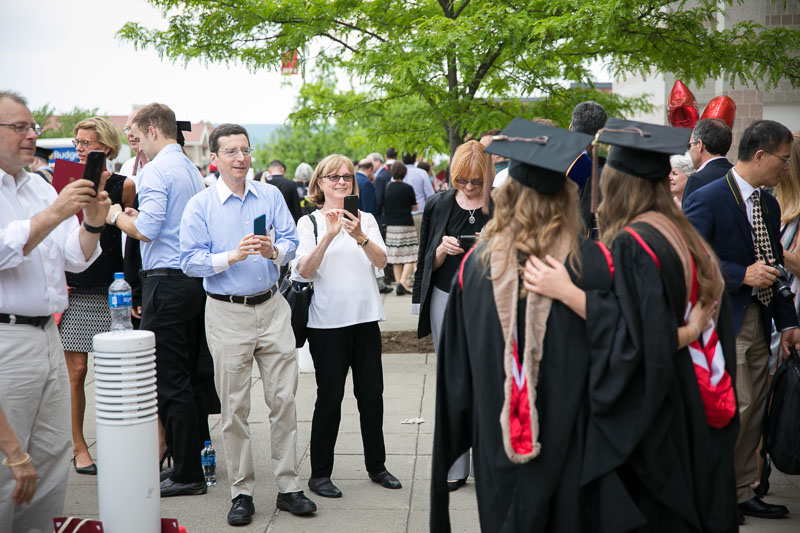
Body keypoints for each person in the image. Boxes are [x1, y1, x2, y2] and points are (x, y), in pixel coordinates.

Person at [529, 118, 740, 531]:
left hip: (663, 399)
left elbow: (640, 337)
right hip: (698, 392)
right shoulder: (680, 231)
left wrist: (567, 293)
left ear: (620, 185)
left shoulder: (635, 242)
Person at [430, 120, 610, 531]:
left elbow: (456, 376)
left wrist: (455, 440)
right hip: (574, 440)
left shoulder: (475, 268)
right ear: (568, 197)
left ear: (506, 195)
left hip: (498, 435)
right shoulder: (593, 263)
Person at [180, 124, 316, 524]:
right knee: (234, 407)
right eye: (231, 151)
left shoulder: (270, 195)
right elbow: (189, 261)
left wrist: (275, 250)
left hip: (273, 308)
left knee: (284, 401)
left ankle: (289, 486)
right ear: (215, 159)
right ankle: (242, 491)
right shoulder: (200, 206)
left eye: (245, 149)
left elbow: (291, 241)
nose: (241, 158)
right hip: (226, 313)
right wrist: (230, 257)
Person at [0, 90, 109, 532]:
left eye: (33, 127)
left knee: (50, 459)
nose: (32, 136)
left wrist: (94, 222)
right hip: (8, 340)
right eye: (20, 127)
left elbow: (74, 257)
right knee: (11, 468)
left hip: (48, 333)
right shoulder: (47, 198)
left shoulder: (39, 186)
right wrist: (56, 211)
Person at [684, 119, 800, 521]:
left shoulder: (768, 203)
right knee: (735, 406)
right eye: (783, 159)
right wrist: (740, 274)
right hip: (724, 319)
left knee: (754, 410)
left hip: (763, 317)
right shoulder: (709, 195)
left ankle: (740, 490)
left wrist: (788, 323)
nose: (787, 167)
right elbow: (693, 259)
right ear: (760, 155)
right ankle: (716, 493)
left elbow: (773, 265)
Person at [106, 102, 212, 498]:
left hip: (165, 283)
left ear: (153, 130)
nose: (133, 140)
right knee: (182, 376)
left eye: (135, 132)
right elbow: (165, 220)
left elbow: (147, 231)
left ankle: (187, 473)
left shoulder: (154, 171)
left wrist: (117, 215)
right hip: (188, 282)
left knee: (169, 380)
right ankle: (186, 465)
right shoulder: (186, 166)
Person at [291, 154, 401, 499]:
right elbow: (303, 271)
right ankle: (320, 474)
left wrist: (359, 237)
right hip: (327, 326)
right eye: (333, 177)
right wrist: (329, 235)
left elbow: (383, 261)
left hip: (365, 321)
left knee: (371, 397)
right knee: (330, 399)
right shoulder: (308, 223)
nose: (341, 182)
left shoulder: (365, 219)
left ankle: (377, 466)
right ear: (319, 184)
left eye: (347, 177)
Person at [412, 140, 491, 490]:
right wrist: (441, 250)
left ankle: (487, 462)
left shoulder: (501, 205)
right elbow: (423, 260)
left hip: (487, 299)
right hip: (446, 295)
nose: (470, 187)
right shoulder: (439, 203)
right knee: (451, 380)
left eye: (476, 181)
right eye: (463, 181)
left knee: (487, 378)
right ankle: (456, 465)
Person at [60, 116, 135, 476]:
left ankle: (120, 443)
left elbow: (130, 244)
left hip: (114, 288)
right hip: (75, 287)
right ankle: (78, 446)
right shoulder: (66, 184)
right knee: (76, 372)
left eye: (87, 143)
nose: (80, 148)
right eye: (77, 143)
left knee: (116, 371)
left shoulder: (125, 185)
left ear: (105, 147)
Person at [383, 161, 418, 295]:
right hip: (406, 223)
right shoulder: (408, 188)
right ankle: (403, 281)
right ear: (404, 173)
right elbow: (414, 206)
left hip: (392, 225)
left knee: (396, 256)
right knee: (412, 254)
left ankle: (399, 284)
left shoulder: (387, 187)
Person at [681, 118, 733, 202]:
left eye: (689, 146)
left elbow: (689, 215)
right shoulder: (738, 175)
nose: (689, 150)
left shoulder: (697, 180)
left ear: (699, 145)